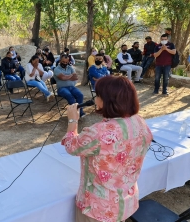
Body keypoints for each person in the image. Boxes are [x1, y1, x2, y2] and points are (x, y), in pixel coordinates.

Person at [62, 76, 153, 222]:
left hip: (98, 208)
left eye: (97, 95)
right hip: (124, 201)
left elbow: (71, 146)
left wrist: (72, 121)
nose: (95, 99)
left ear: (107, 100)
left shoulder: (98, 132)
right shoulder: (139, 122)